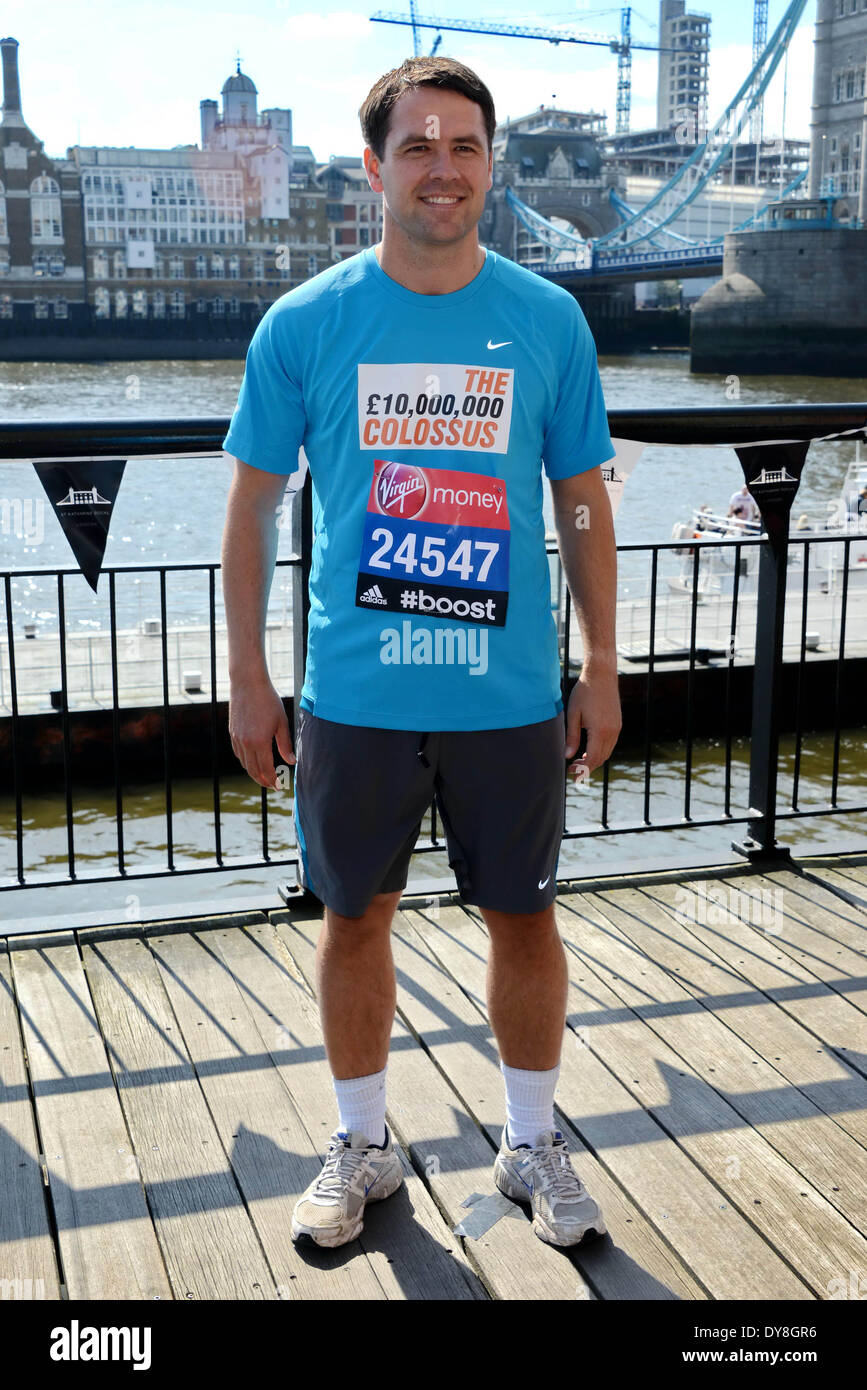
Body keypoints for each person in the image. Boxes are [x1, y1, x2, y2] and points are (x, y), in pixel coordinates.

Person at [220, 55, 621, 1253]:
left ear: (490, 166)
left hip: (507, 697)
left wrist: (602, 659)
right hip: (357, 693)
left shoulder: (549, 320)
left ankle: (532, 1140)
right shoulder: (305, 322)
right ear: (374, 168)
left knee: (526, 920)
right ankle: (361, 1143)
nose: (442, 168)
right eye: (418, 146)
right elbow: (249, 511)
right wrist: (246, 672)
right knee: (354, 920)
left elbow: (584, 502)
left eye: (464, 147)